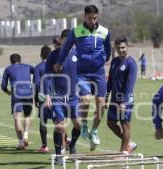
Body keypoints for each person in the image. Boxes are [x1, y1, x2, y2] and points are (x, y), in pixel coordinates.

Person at [53, 5, 111, 151]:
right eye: (90, 18)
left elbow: (108, 49)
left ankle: (95, 130)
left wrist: (104, 58)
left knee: (101, 103)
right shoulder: (76, 31)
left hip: (98, 72)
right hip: (81, 73)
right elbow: (66, 48)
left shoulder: (104, 31)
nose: (92, 21)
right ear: (84, 17)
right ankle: (84, 123)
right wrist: (59, 62)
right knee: (85, 99)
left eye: (95, 18)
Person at [44, 29, 81, 158]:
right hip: (57, 97)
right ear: (61, 40)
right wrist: (47, 95)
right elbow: (47, 76)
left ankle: (72, 144)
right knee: (59, 126)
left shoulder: (78, 54)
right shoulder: (53, 56)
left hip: (74, 97)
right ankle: (59, 153)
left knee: (78, 124)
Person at [106, 36, 137, 153]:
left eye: (123, 47)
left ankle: (123, 152)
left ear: (127, 47)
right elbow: (110, 81)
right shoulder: (114, 61)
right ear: (115, 48)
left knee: (125, 125)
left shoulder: (131, 63)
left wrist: (124, 101)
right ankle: (129, 144)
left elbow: (130, 83)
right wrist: (105, 97)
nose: (121, 50)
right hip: (114, 99)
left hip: (126, 100)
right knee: (110, 123)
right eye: (118, 48)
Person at [1, 54, 34, 150]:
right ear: (20, 60)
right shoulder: (27, 66)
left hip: (16, 93)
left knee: (17, 118)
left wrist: (8, 92)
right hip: (28, 92)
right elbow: (37, 71)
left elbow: (3, 86)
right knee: (27, 115)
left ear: (11, 61)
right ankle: (26, 135)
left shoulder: (8, 69)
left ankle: (21, 143)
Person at [33, 45, 52, 153]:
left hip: (43, 96)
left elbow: (36, 83)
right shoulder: (55, 65)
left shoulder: (38, 67)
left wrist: (36, 98)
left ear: (41, 55)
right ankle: (64, 142)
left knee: (43, 121)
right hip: (55, 95)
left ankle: (44, 146)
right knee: (59, 120)